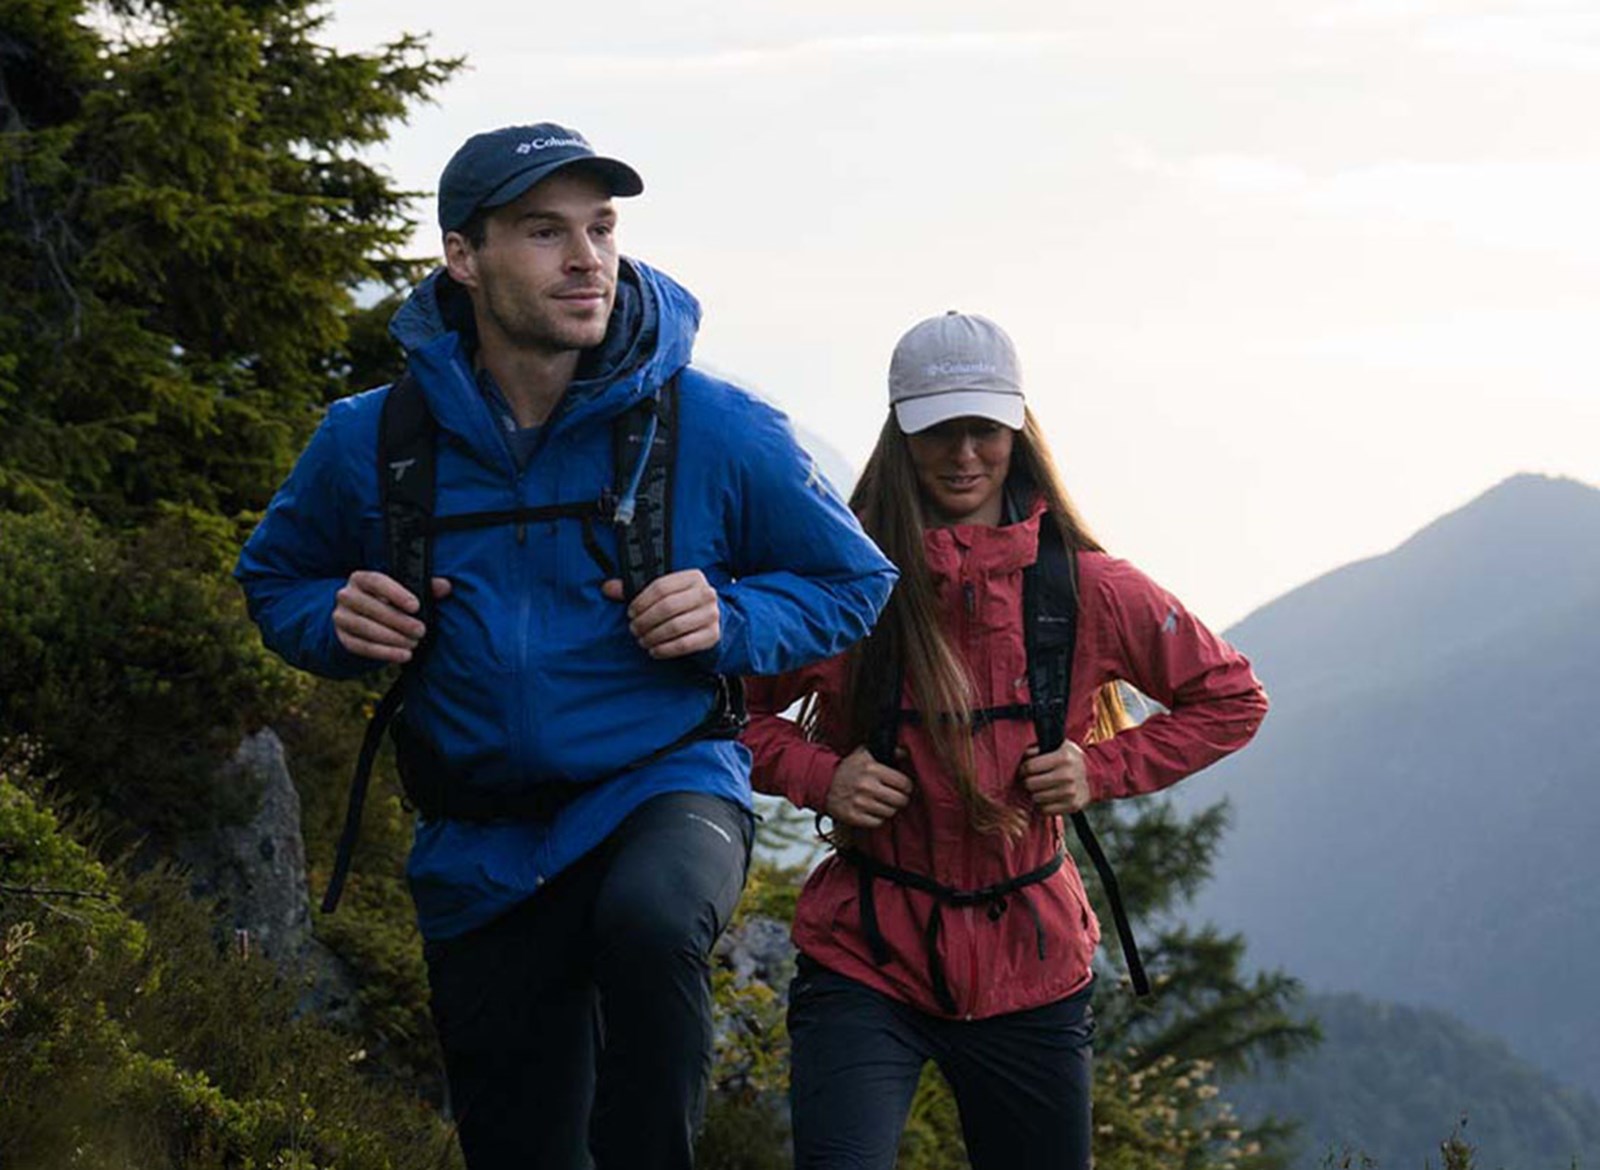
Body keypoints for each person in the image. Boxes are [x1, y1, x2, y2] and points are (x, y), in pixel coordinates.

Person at [235, 122, 897, 1170]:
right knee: (521, 1148)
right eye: (545, 233)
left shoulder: (712, 426)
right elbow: (275, 580)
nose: (587, 258)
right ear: (464, 255)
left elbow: (855, 579)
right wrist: (333, 622)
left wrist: (735, 620)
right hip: (475, 833)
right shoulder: (369, 440)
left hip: (661, 783)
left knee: (649, 924)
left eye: (600, 228)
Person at [743, 311, 1269, 1170]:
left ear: (1018, 429)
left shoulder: (1091, 588)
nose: (963, 454)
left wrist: (1099, 769)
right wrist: (819, 774)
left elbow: (1232, 698)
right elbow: (725, 711)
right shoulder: (840, 586)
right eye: (938, 430)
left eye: (983, 428)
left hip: (1031, 962)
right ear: (900, 436)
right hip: (865, 954)